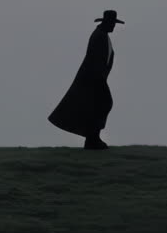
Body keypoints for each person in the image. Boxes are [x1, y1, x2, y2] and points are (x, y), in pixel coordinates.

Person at [48, 9, 123, 150]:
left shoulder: (103, 36)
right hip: (93, 79)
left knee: (99, 106)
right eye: (112, 24)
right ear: (106, 23)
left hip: (96, 79)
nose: (113, 26)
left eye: (114, 24)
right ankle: (92, 139)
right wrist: (98, 79)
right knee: (102, 104)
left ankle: (93, 138)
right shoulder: (98, 36)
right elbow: (94, 60)